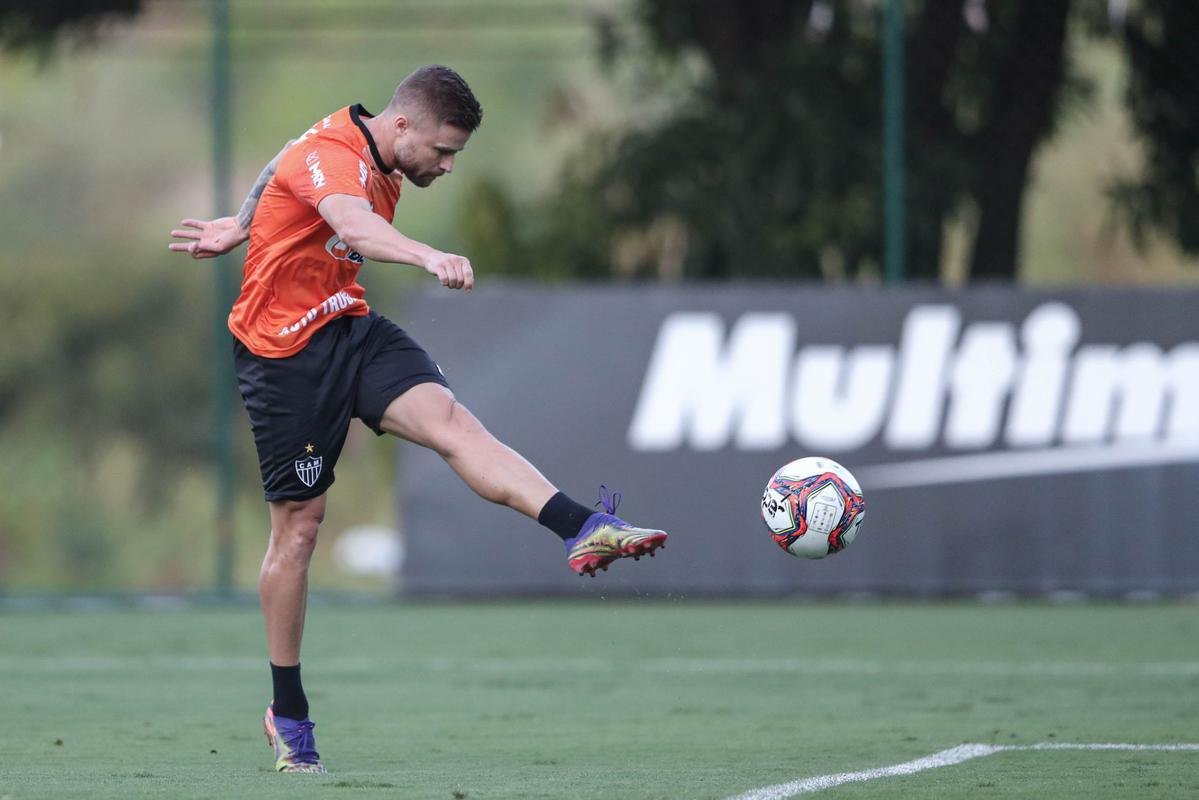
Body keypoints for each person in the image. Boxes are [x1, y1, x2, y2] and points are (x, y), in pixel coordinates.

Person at [168, 65, 667, 774]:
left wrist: (243, 222)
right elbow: (349, 221)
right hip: (282, 358)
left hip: (347, 326)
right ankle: (288, 710)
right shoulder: (336, 157)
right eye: (443, 150)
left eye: (455, 153)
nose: (447, 165)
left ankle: (584, 528)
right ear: (402, 126)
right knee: (300, 530)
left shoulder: (375, 151)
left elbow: (282, 160)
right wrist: (427, 255)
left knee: (452, 424)